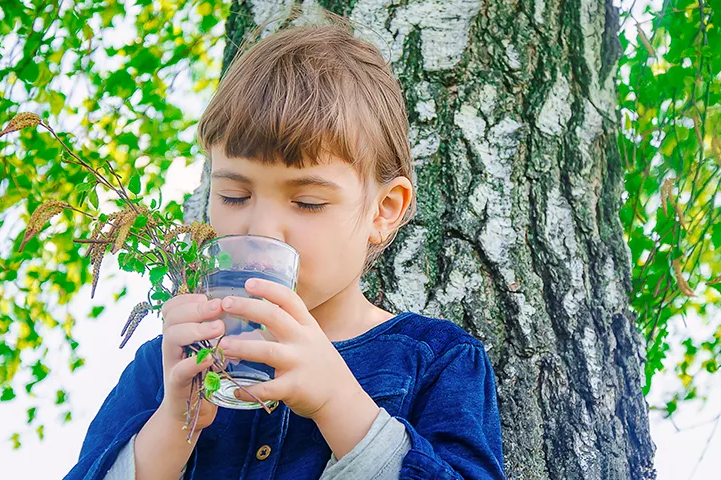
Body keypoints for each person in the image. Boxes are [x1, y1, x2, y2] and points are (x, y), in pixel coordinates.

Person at [65, 17, 505, 480]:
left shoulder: (438, 360)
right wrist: (175, 423)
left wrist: (338, 403)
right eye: (234, 195)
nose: (262, 229)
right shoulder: (160, 370)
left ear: (383, 211)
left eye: (307, 202)